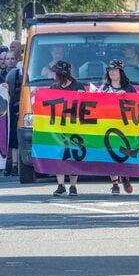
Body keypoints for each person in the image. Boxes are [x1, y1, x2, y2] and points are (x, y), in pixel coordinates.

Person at [96, 59, 137, 194]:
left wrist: (125, 96)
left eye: (114, 69)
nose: (112, 72)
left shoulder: (129, 88)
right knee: (110, 154)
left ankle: (125, 176)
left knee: (124, 153)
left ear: (121, 72)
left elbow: (137, 105)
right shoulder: (104, 88)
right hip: (108, 126)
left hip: (125, 126)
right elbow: (95, 103)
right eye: (109, 69)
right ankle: (115, 184)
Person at [48, 60, 87, 196]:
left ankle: (73, 186)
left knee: (73, 156)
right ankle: (61, 185)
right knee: (60, 155)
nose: (53, 74)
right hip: (59, 127)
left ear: (60, 74)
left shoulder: (78, 86)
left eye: (55, 72)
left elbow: (85, 107)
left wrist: (83, 96)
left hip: (75, 127)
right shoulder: (53, 87)